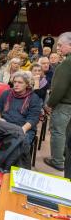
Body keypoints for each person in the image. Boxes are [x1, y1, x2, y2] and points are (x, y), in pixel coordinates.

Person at [0, 71, 41, 168]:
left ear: (27, 84)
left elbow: (33, 119)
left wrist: (22, 129)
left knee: (18, 141)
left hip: (23, 127)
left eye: (20, 82)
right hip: (5, 124)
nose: (16, 84)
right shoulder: (6, 93)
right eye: (15, 82)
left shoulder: (34, 98)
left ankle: (7, 168)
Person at [44, 32, 71, 174]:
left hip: (64, 104)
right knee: (67, 133)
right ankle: (64, 156)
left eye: (61, 45)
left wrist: (50, 104)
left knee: (58, 132)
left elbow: (60, 88)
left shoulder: (67, 63)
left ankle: (57, 161)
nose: (58, 47)